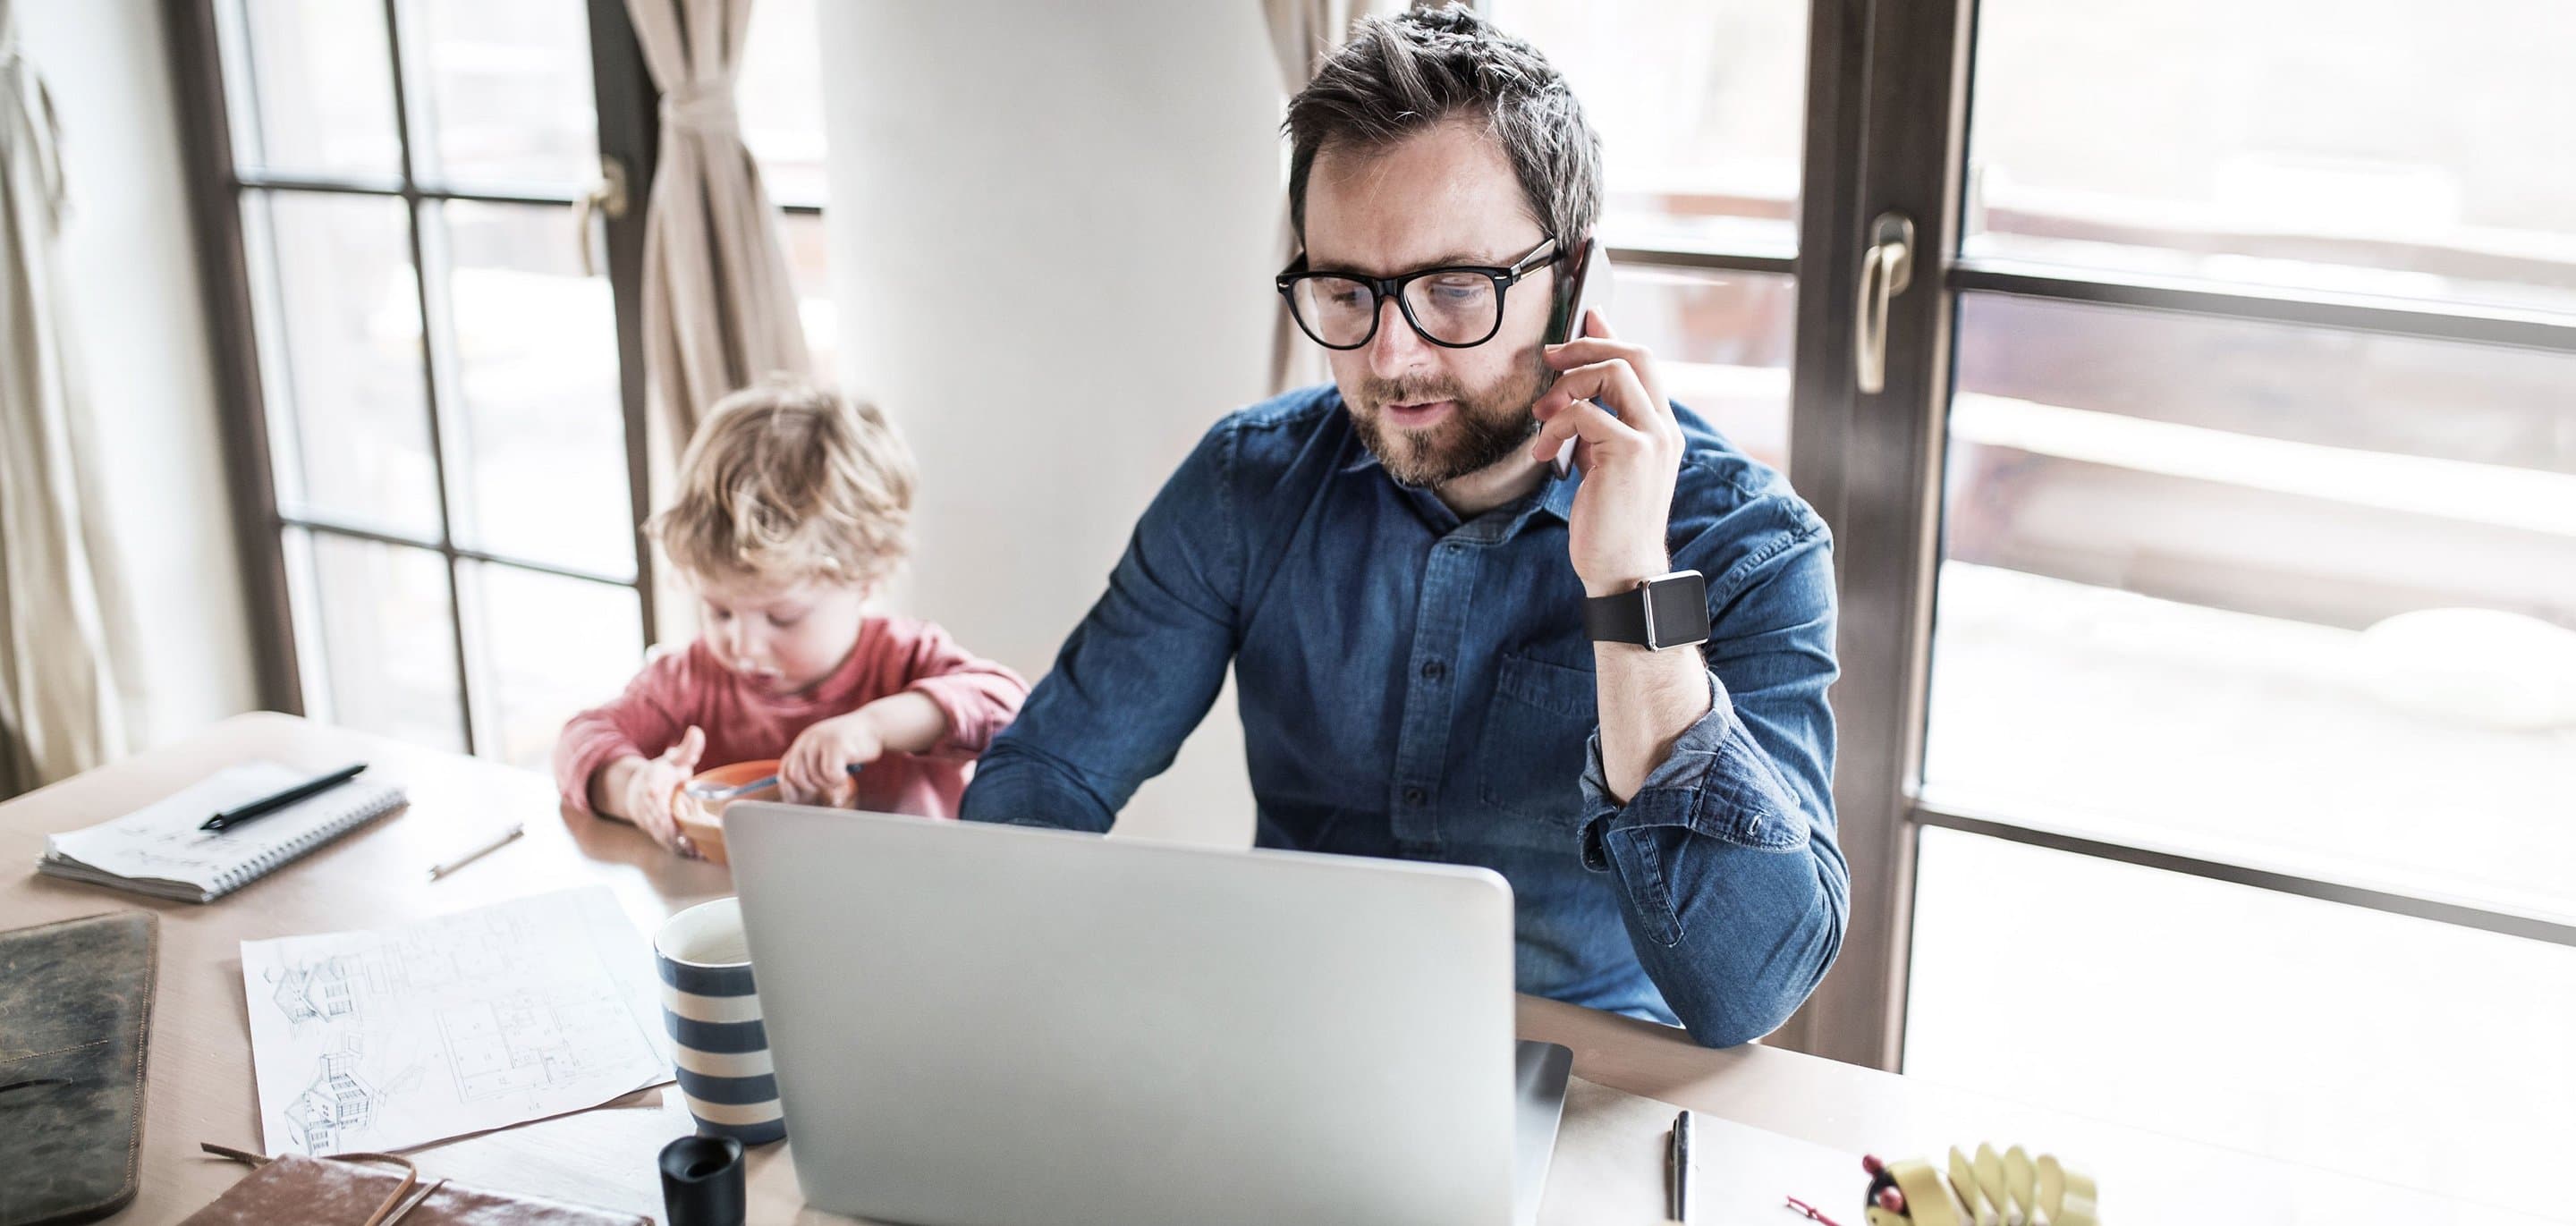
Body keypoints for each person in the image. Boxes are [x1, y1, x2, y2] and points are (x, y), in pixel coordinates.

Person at [958, 6, 1846, 1046]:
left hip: (1584, 1071)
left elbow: (1749, 989)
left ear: (1573, 282)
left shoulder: (1748, 547)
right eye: (1345, 291)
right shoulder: (1246, 486)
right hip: (1285, 1042)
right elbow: (1049, 777)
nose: (1389, 358)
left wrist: (1629, 586)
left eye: (1455, 289)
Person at [555, 381, 1029, 857]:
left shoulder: (902, 659)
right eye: (719, 611)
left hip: (914, 891)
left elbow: (1010, 707)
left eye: (782, 617)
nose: (743, 645)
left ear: (867, 576)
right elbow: (579, 741)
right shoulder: (690, 681)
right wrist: (635, 787)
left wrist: (873, 727)